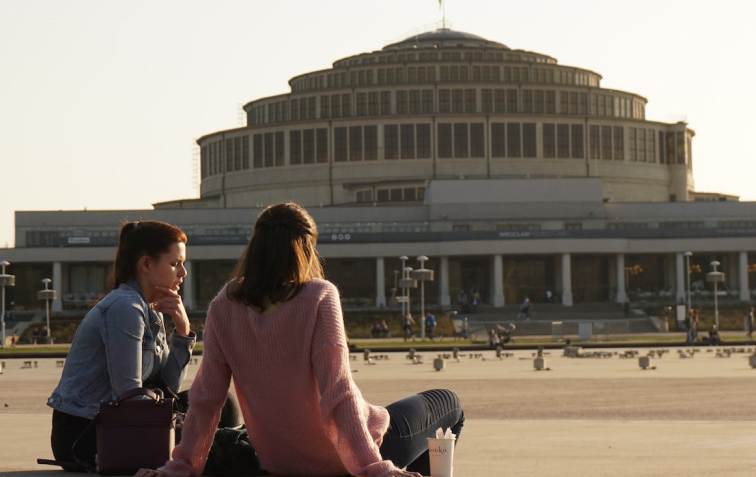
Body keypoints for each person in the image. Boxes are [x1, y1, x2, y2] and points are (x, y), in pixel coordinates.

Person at [140, 203, 463, 477]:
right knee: (449, 403)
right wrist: (372, 468)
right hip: (353, 454)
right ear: (305, 247)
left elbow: (206, 400)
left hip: (281, 461)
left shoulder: (224, 305)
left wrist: (181, 466)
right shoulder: (319, 296)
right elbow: (338, 391)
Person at [46, 221, 200, 472]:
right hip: (87, 431)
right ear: (146, 264)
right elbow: (128, 395)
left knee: (215, 406)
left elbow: (168, 388)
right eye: (175, 263)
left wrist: (183, 329)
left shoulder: (152, 308)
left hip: (124, 420)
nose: (183, 272)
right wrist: (182, 424)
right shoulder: (125, 308)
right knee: (206, 433)